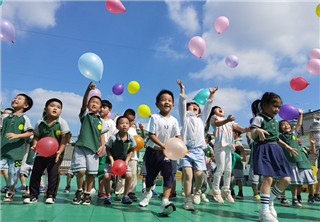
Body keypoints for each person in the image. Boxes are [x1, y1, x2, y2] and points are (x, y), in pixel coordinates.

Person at [250, 92, 298, 222]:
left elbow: (276, 138)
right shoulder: (259, 118)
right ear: (264, 105)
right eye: (274, 106)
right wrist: (257, 131)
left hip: (276, 150)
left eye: (279, 107)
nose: (277, 109)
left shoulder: (276, 121)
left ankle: (269, 200)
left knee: (286, 179)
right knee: (268, 179)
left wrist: (286, 146)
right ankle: (264, 211)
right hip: (264, 149)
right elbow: (252, 134)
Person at [139, 89, 181, 216]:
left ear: (173, 105)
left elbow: (177, 136)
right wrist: (163, 145)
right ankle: (147, 193)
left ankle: (165, 202)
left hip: (167, 153)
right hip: (153, 152)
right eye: (163, 100)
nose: (166, 102)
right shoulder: (155, 117)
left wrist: (182, 147)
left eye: (169, 100)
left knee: (169, 175)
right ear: (157, 104)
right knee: (150, 177)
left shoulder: (174, 120)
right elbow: (151, 135)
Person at [177, 80, 217, 210]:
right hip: (186, 150)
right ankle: (187, 200)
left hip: (199, 151)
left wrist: (211, 95)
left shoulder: (201, 119)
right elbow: (182, 104)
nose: (193, 108)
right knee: (188, 175)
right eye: (191, 107)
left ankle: (197, 191)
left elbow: (208, 107)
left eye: (196, 107)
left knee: (200, 175)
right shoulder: (185, 118)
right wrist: (182, 91)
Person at [23, 98, 69, 204]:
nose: (55, 108)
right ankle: (33, 195)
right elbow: (36, 136)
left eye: (58, 107)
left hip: (55, 155)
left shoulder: (62, 122)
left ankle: (50, 195)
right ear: (45, 108)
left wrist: (60, 151)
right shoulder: (39, 123)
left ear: (61, 111)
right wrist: (35, 145)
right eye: (52, 106)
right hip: (40, 154)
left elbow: (64, 139)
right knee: (35, 174)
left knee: (52, 175)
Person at [70, 82, 107, 205]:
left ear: (100, 108)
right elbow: (83, 102)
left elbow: (102, 135)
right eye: (92, 102)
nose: (94, 103)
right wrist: (87, 89)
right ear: (88, 105)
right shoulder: (85, 114)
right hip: (81, 147)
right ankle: (79, 190)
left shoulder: (101, 121)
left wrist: (102, 146)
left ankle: (87, 193)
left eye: (97, 103)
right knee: (81, 171)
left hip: (94, 150)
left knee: (91, 173)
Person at [205, 105, 250, 204]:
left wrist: (246, 129)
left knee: (228, 169)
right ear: (213, 112)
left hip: (229, 147)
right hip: (220, 146)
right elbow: (217, 124)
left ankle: (226, 190)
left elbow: (238, 127)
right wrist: (227, 120)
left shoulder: (229, 121)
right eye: (217, 109)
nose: (220, 109)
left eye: (221, 108)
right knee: (220, 168)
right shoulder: (214, 118)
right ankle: (216, 191)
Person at [0, 94, 33, 201]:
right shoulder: (5, 117)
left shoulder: (25, 118)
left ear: (26, 105)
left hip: (17, 153)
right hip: (2, 150)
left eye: (19, 99)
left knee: (13, 173)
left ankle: (10, 191)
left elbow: (29, 133)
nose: (15, 99)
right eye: (15, 97)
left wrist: (17, 135)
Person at [103, 116, 136, 205]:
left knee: (129, 175)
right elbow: (108, 149)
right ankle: (108, 196)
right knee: (106, 177)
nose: (124, 125)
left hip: (123, 162)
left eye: (126, 123)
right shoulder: (113, 138)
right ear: (117, 126)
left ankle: (125, 196)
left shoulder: (131, 138)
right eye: (121, 123)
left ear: (129, 126)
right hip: (110, 161)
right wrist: (111, 160)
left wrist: (127, 160)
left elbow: (132, 150)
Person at [278, 110, 304, 207]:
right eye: (283, 125)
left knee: (295, 182)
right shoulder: (279, 136)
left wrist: (300, 114)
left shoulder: (293, 134)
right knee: (283, 180)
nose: (286, 125)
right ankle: (283, 198)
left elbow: (299, 123)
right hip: (284, 161)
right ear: (280, 128)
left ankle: (294, 199)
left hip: (294, 162)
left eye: (287, 124)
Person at [97, 100, 117, 199]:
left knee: (103, 171)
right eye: (101, 107)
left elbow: (114, 136)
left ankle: (101, 191)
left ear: (109, 110)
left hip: (105, 150)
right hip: (95, 149)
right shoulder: (95, 120)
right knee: (91, 171)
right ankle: (87, 190)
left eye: (104, 107)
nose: (101, 109)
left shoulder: (111, 123)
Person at [296, 137, 317, 204]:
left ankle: (311, 197)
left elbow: (313, 152)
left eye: (299, 138)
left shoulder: (304, 147)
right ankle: (298, 197)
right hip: (299, 167)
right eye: (297, 138)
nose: (300, 139)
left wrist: (312, 144)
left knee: (311, 183)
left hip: (308, 167)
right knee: (299, 184)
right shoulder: (293, 147)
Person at [245, 132, 262, 201]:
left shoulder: (265, 142)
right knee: (254, 181)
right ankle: (255, 194)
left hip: (263, 164)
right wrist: (249, 129)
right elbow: (247, 136)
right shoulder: (253, 142)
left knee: (262, 181)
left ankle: (258, 192)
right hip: (254, 163)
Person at [0, 108, 14, 193]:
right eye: (3, 113)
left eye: (8, 114)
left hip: (7, 151)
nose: (4, 115)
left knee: (7, 170)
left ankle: (9, 187)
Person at [232, 129, 245, 200]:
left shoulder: (238, 142)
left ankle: (240, 193)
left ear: (236, 134)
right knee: (231, 179)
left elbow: (240, 148)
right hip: (231, 164)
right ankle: (232, 191)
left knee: (238, 179)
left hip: (237, 164)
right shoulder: (231, 141)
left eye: (232, 132)